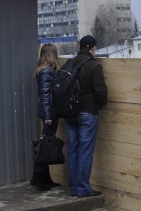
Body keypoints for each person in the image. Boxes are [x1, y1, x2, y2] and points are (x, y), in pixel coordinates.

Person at [65, 35, 108, 197]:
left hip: (70, 114)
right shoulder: (93, 66)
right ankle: (83, 188)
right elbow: (100, 91)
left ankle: (74, 188)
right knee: (85, 151)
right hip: (88, 113)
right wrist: (102, 104)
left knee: (73, 150)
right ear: (92, 48)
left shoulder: (69, 63)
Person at [31, 43, 61, 191]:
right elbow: (45, 95)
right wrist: (49, 115)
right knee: (45, 145)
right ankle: (38, 178)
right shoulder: (47, 71)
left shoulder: (46, 70)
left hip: (49, 111)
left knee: (46, 143)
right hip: (49, 112)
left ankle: (44, 178)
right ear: (51, 54)